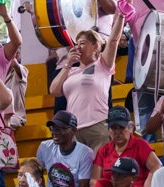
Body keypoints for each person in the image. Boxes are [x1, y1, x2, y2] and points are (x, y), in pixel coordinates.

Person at [49, 21, 125, 151]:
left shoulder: (102, 64)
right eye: (76, 43)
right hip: (73, 129)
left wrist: (121, 16)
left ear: (95, 47)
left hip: (97, 125)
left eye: (82, 43)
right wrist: (67, 64)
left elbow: (113, 41)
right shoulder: (70, 71)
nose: (77, 47)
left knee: (99, 169)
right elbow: (54, 90)